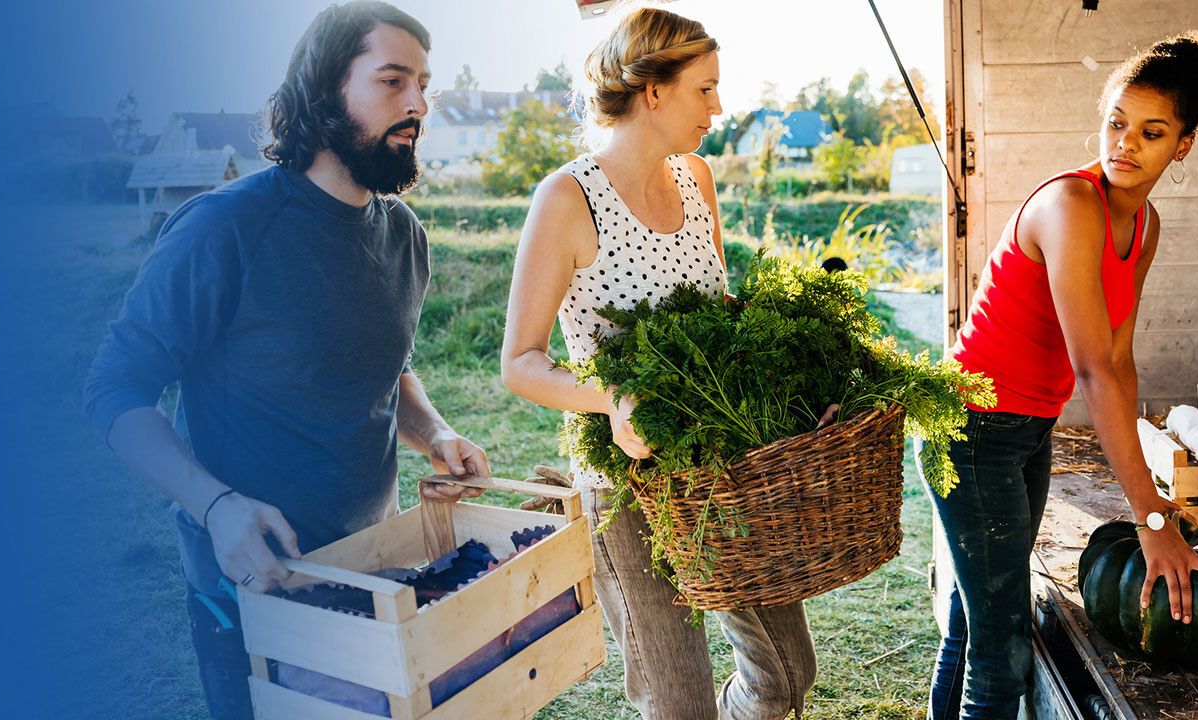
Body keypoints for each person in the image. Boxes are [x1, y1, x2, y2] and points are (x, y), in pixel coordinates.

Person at [83, 3, 490, 718]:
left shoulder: (403, 234)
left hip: (376, 563)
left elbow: (386, 369)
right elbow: (115, 392)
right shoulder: (223, 228)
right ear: (325, 89)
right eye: (393, 81)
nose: (419, 105)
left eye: (424, 85)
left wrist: (436, 433)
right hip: (252, 579)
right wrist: (217, 508)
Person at [498, 8, 815, 719]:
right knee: (679, 706)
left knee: (788, 676)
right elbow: (520, 362)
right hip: (626, 484)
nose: (718, 107)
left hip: (722, 472)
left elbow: (721, 319)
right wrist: (615, 398)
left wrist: (791, 394)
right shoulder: (567, 198)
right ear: (654, 91)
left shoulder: (697, 178)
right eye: (705, 89)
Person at [930, 32, 1198, 719]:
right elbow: (1092, 370)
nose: (1125, 144)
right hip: (969, 427)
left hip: (1028, 429)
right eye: (1116, 123)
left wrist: (1152, 499)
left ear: (1182, 146)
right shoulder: (1070, 205)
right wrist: (1150, 518)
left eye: (1151, 133)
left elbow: (1119, 360)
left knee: (977, 624)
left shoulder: (1144, 225)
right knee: (1001, 652)